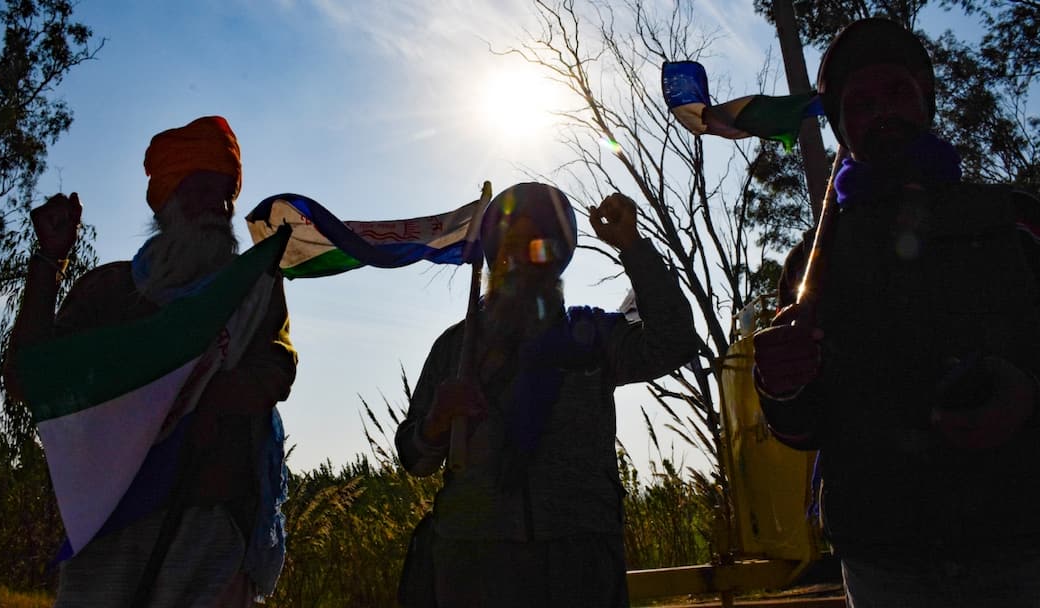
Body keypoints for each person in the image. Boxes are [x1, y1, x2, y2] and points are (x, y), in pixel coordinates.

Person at [751, 18, 1040, 607]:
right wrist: (780, 384)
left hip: (1020, 544)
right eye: (860, 102)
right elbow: (802, 428)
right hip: (883, 562)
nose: (882, 110)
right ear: (842, 127)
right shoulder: (810, 264)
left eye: (897, 92)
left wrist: (1028, 394)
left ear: (925, 102)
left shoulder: (1014, 220)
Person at [3, 116, 297, 607]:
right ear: (167, 202)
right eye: (200, 189)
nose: (218, 206)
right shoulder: (108, 290)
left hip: (210, 528)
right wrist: (50, 261)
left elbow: (275, 371)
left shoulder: (250, 291)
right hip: (110, 522)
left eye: (225, 193)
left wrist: (201, 401)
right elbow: (29, 377)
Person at [395, 182, 702, 607]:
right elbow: (414, 459)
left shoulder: (592, 336)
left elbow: (675, 342)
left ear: (556, 260)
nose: (521, 260)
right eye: (509, 249)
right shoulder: (455, 349)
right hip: (474, 562)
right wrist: (434, 425)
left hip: (579, 559)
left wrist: (632, 247)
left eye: (536, 248)